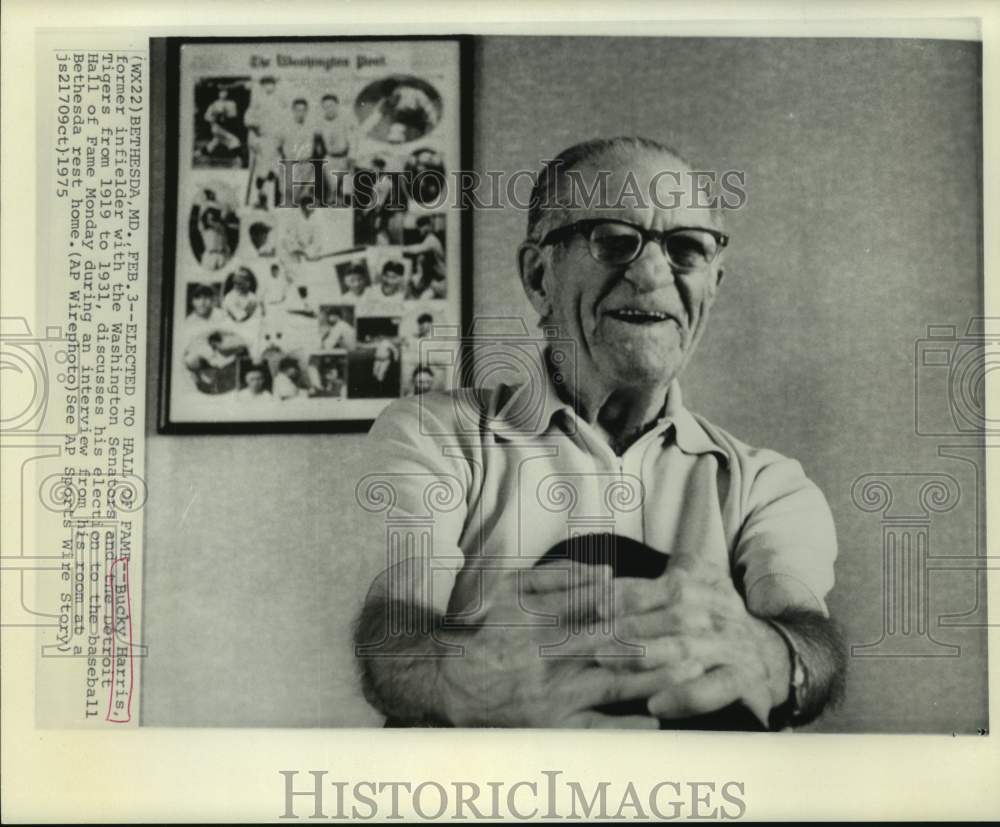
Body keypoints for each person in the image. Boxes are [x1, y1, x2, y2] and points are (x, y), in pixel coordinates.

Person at [353, 136, 845, 730]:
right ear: (539, 276)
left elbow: (809, 641)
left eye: (687, 248)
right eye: (613, 240)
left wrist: (767, 655)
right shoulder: (435, 436)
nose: (652, 271)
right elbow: (394, 639)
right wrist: (462, 679)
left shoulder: (768, 484)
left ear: (712, 286)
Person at [317, 93, 353, 204]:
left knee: (344, 192)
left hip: (344, 159)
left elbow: (353, 141)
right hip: (330, 158)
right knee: (332, 190)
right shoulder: (320, 122)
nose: (329, 109)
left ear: (337, 105)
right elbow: (317, 140)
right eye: (326, 107)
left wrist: (351, 161)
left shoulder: (345, 120)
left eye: (331, 106)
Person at [403, 216, 445, 296]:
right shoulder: (426, 241)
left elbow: (417, 249)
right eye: (419, 226)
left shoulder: (432, 239)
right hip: (433, 282)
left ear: (429, 226)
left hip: (442, 282)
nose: (420, 228)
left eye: (422, 225)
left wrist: (401, 249)